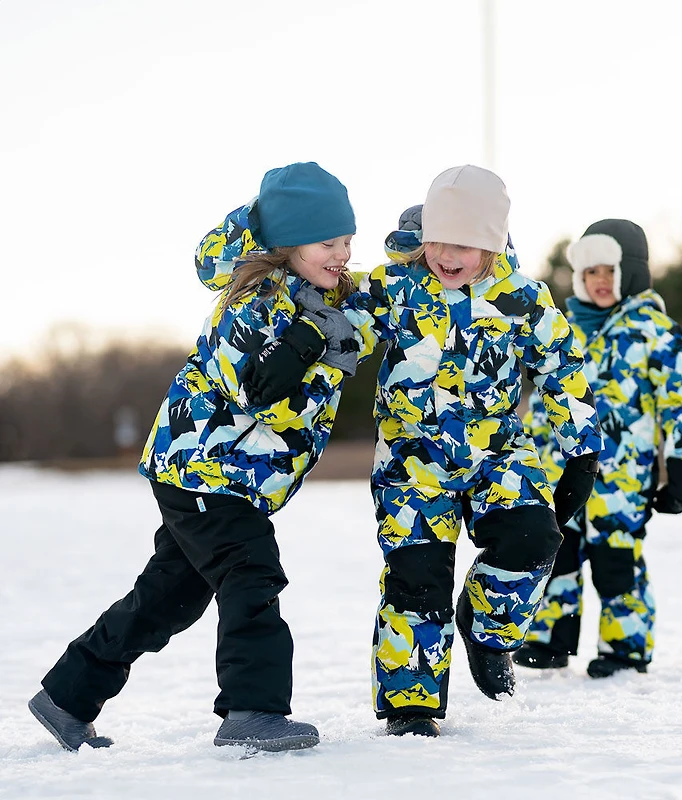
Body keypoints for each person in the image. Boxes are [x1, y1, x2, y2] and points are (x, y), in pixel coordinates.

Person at [28, 162, 360, 752]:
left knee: (167, 597)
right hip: (205, 467)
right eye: (328, 242)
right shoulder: (252, 304)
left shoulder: (317, 296)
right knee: (250, 572)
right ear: (287, 245)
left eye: (347, 241)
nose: (342, 252)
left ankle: (67, 697)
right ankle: (252, 710)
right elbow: (255, 391)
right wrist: (312, 341)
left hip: (222, 473)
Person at [345, 166, 603, 736]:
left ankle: (488, 631)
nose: (446, 254)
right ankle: (411, 706)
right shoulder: (395, 289)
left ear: (490, 240)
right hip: (413, 465)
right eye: (437, 240)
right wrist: (303, 349)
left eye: (462, 243)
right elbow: (341, 329)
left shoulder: (523, 300)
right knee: (417, 580)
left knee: (535, 538)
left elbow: (562, 369)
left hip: (498, 456)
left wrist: (581, 453)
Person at [513, 219, 682, 679]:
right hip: (557, 468)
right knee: (555, 552)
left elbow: (680, 403)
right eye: (590, 273)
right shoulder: (561, 329)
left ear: (633, 273)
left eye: (608, 271)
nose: (599, 282)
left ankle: (624, 648)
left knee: (616, 557)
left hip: (622, 475)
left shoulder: (658, 332)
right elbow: (542, 401)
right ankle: (548, 639)